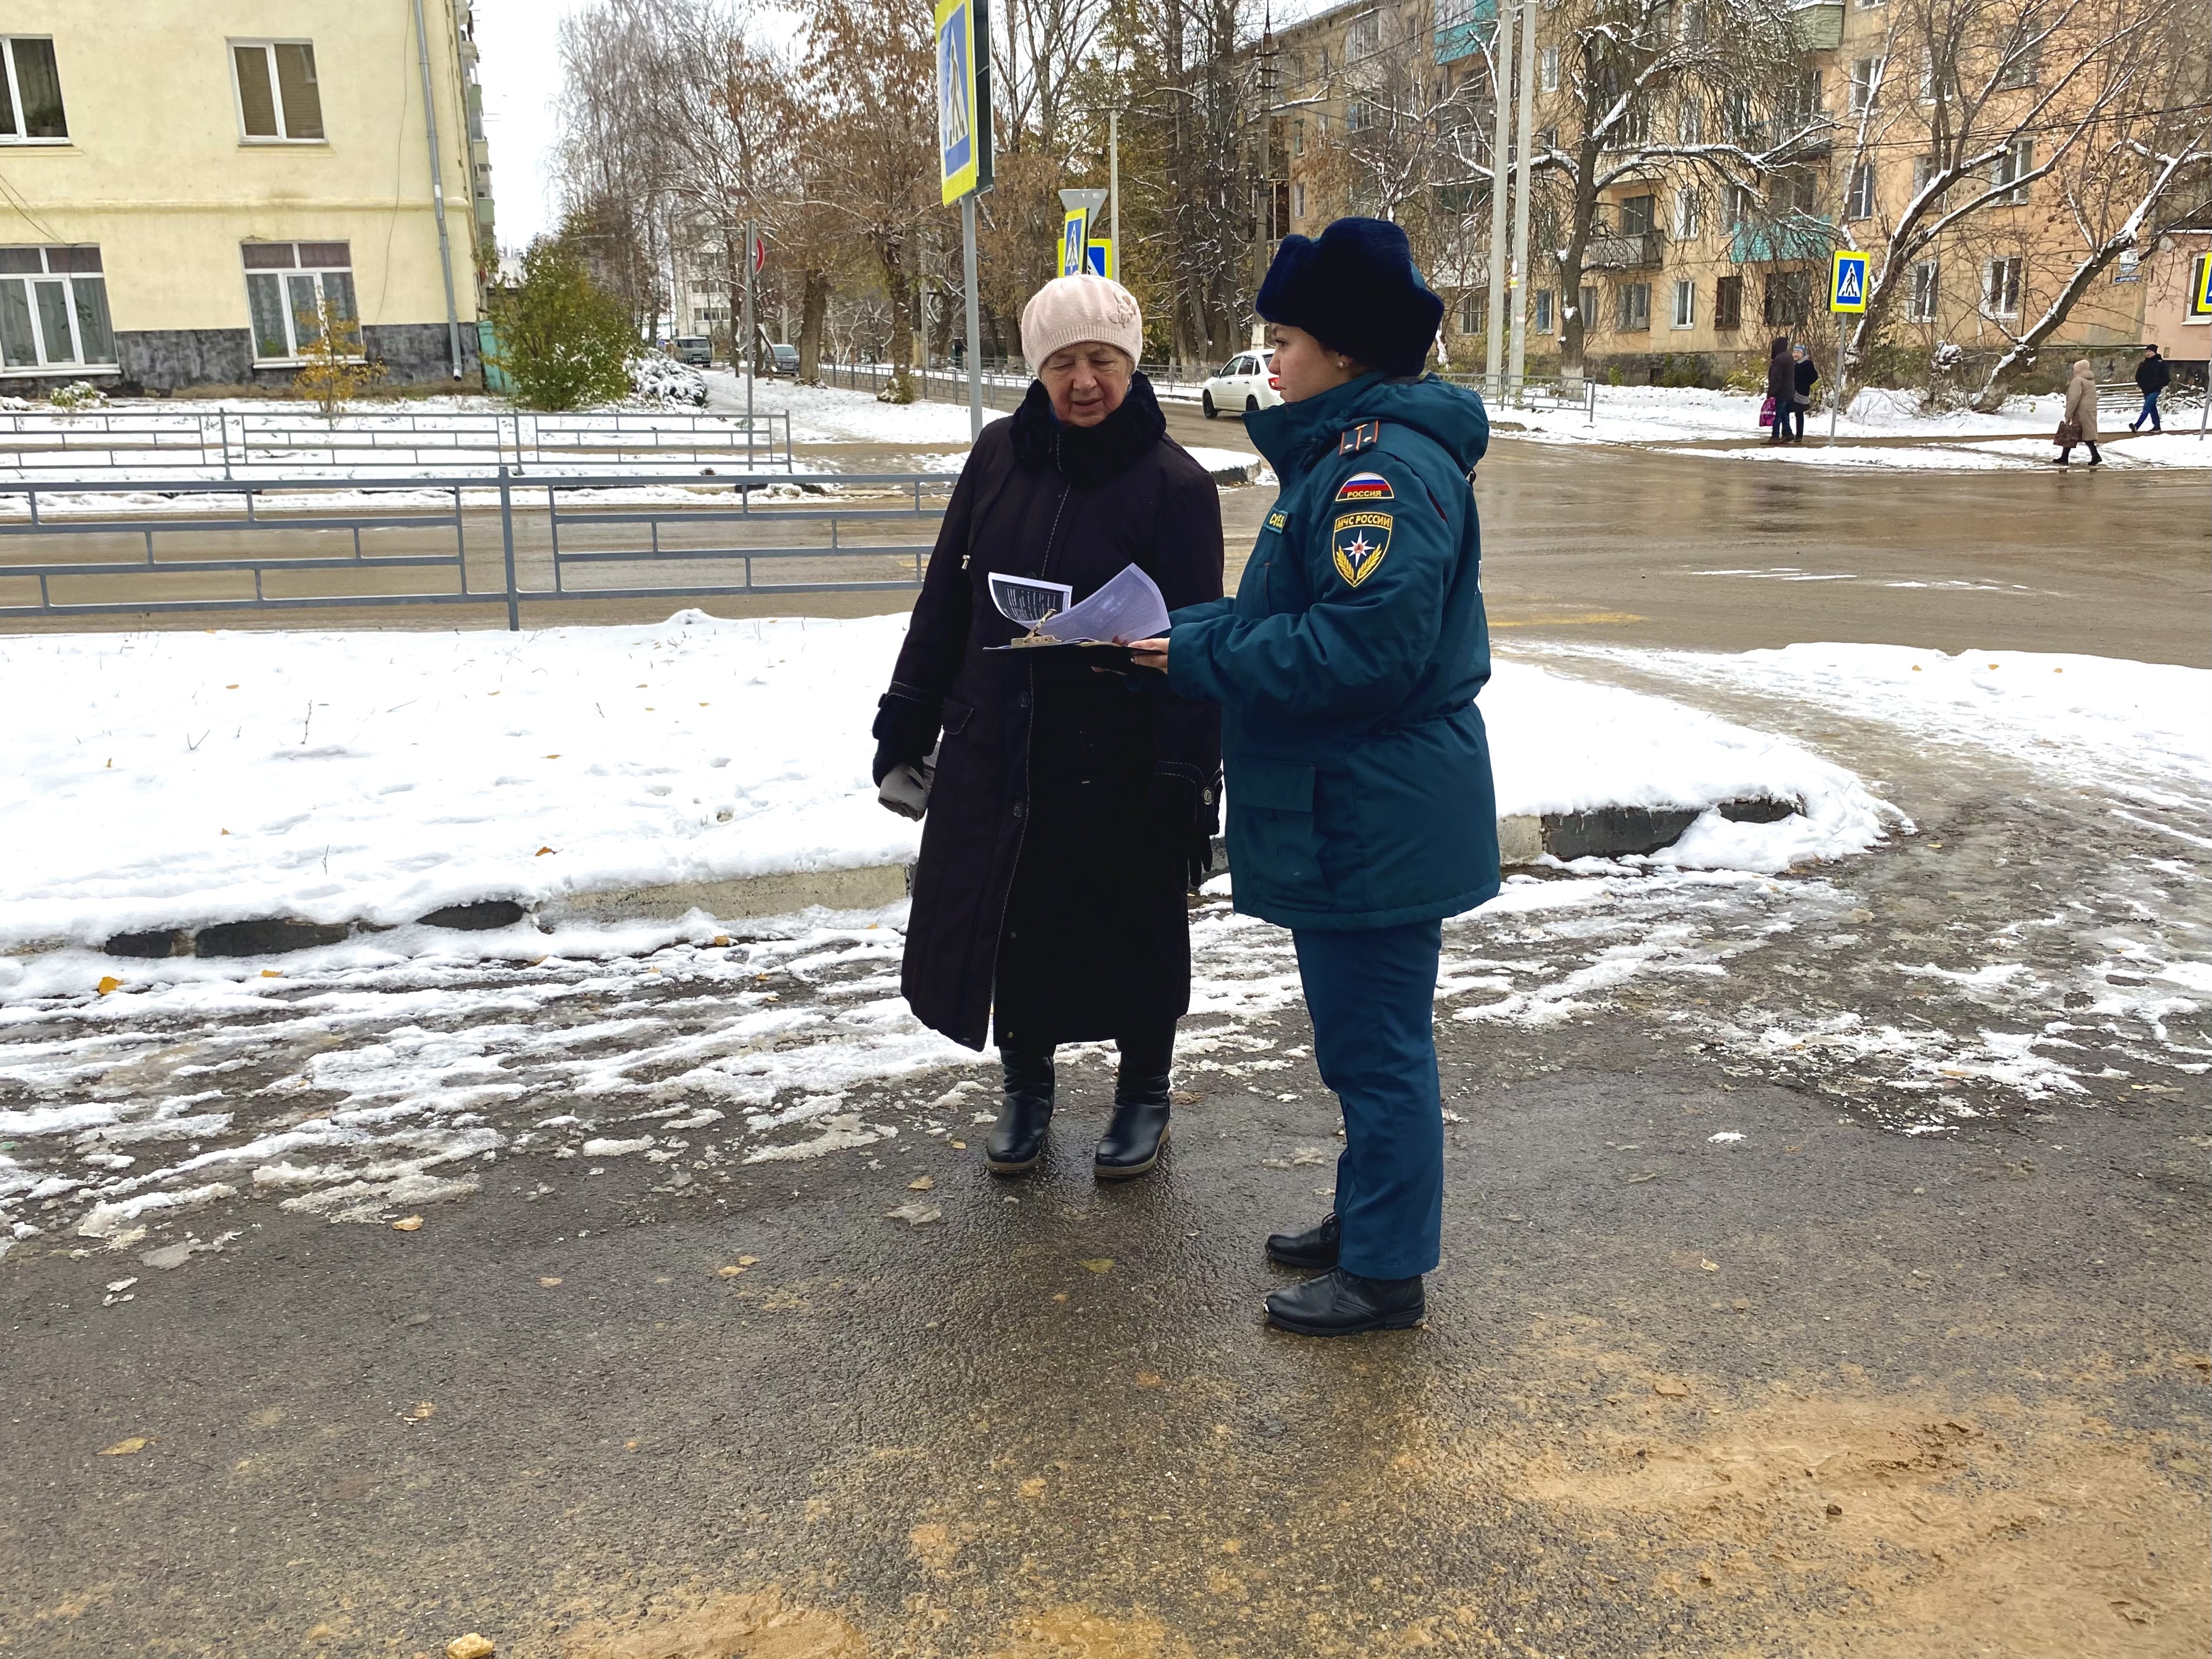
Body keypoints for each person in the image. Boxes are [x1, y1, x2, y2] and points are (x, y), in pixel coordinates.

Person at [1126, 218, 1498, 1337]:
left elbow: (1361, 653)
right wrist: (1173, 628)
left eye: (1283, 337)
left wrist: (1198, 653)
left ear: (1343, 350)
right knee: (1358, 1039)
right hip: (1353, 804)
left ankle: (1385, 1271)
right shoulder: (1346, 451)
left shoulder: (1379, 471)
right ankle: (1366, 1213)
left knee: (1378, 1047)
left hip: (1370, 807)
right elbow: (1292, 620)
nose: (1270, 359)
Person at [871, 275, 1224, 1181]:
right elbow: (944, 599)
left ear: (1130, 364)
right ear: (1035, 370)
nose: (1082, 381)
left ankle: (1143, 1090)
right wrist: (905, 718)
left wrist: (1186, 775)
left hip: (1117, 755)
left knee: (1132, 927)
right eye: (1062, 362)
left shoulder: (1176, 485)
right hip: (1001, 744)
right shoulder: (996, 457)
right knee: (1012, 924)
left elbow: (1197, 641)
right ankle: (1025, 1088)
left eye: (1100, 360)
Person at [2056, 358, 2101, 466]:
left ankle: (2095, 456)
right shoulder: (2090, 380)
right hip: (2089, 411)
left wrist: (2068, 414)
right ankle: (2065, 457)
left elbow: (2073, 398)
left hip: (2080, 412)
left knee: (2072, 432)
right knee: (2082, 434)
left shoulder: (2078, 381)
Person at [2131, 344, 2169, 434]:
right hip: (2146, 389)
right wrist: (2142, 385)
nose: (2148, 353)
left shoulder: (2160, 363)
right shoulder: (2143, 364)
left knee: (2147, 406)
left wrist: (2158, 385)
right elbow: (2138, 376)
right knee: (2152, 407)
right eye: (2147, 351)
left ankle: (2137, 425)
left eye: (2150, 351)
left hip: (2155, 389)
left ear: (2155, 352)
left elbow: (2166, 377)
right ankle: (2157, 427)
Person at [1764, 336, 1793, 444]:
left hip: (1781, 392)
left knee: (1778, 414)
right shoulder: (1789, 357)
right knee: (1784, 413)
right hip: (1788, 391)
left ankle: (1775, 436)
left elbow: (1776, 379)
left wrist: (1771, 393)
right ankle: (1787, 432)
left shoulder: (1779, 360)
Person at [1789, 342, 1819, 442]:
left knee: (1799, 413)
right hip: (1791, 392)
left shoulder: (1807, 364)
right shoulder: (1792, 364)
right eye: (1794, 352)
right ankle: (1787, 433)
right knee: (1786, 411)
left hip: (1801, 392)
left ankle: (1799, 435)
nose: (1795, 354)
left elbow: (1814, 377)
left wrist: (1806, 384)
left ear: (1803, 354)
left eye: (1798, 352)